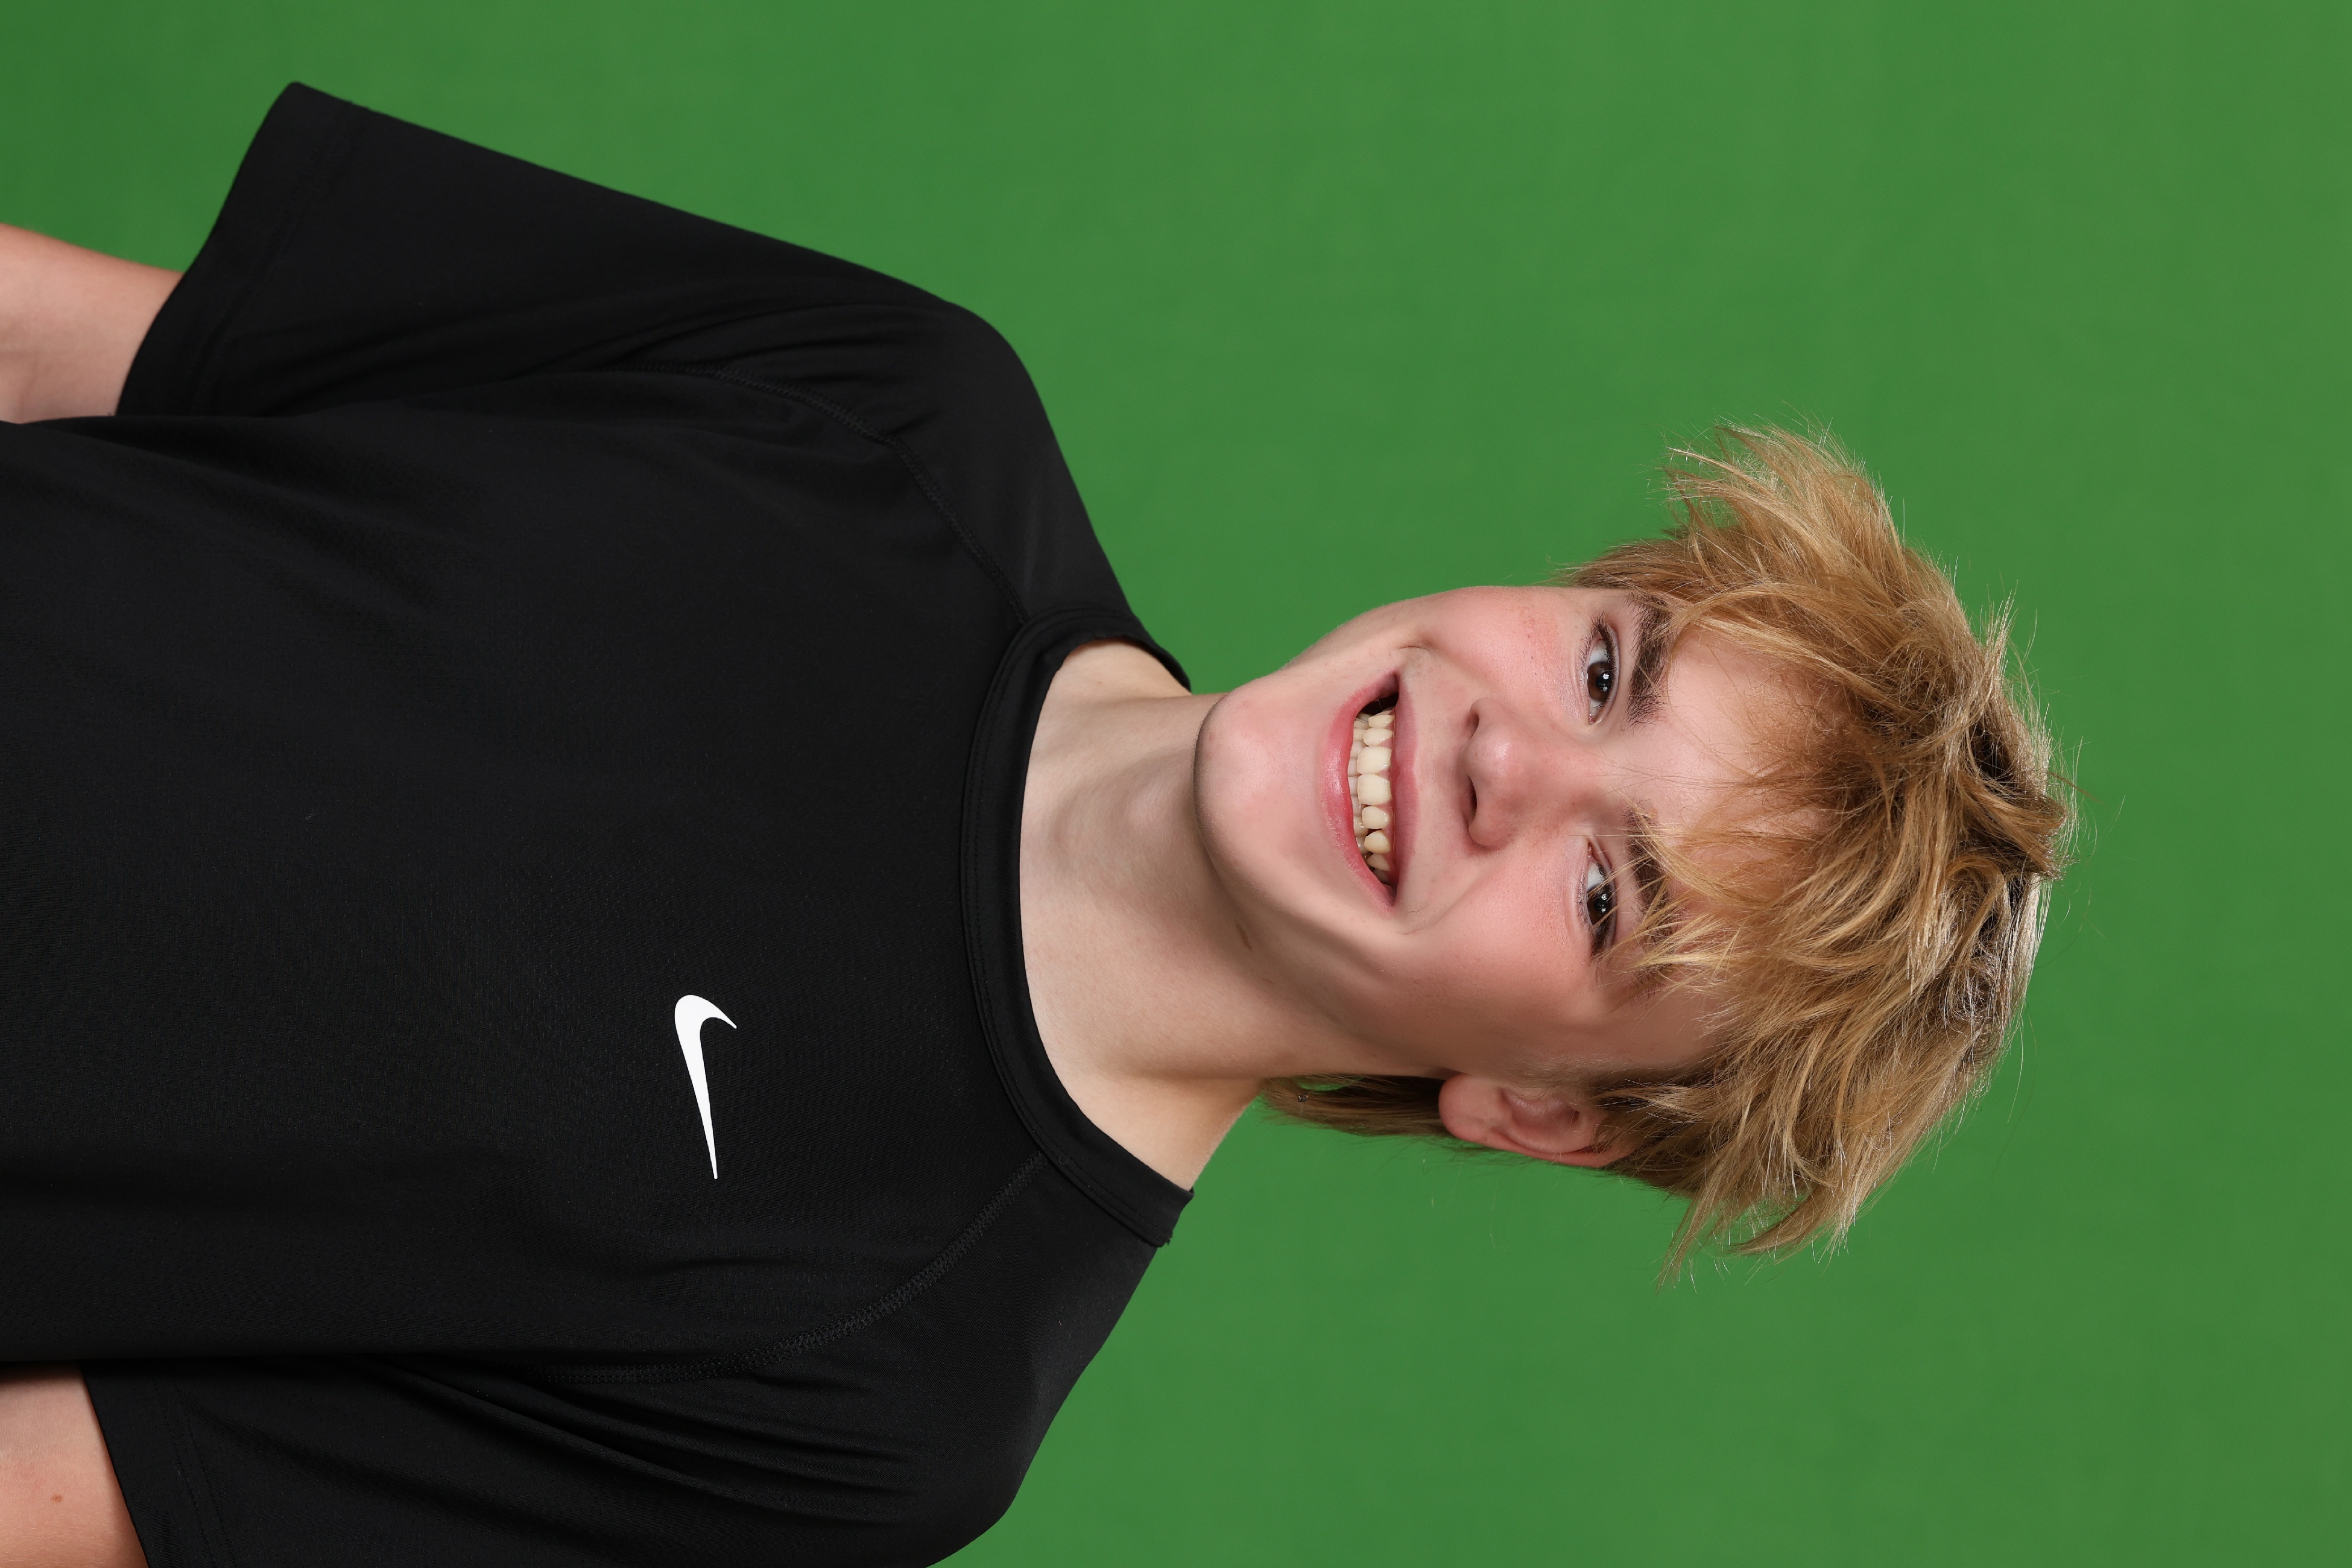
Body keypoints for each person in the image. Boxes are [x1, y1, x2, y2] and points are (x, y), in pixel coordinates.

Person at [0, 85, 2069, 1568]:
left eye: (1608, 891)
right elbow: (42, 341)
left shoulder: (878, 1405)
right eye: (1610, 669)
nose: (1501, 757)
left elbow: (67, 1489)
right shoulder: (891, 405)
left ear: (1537, 1105)